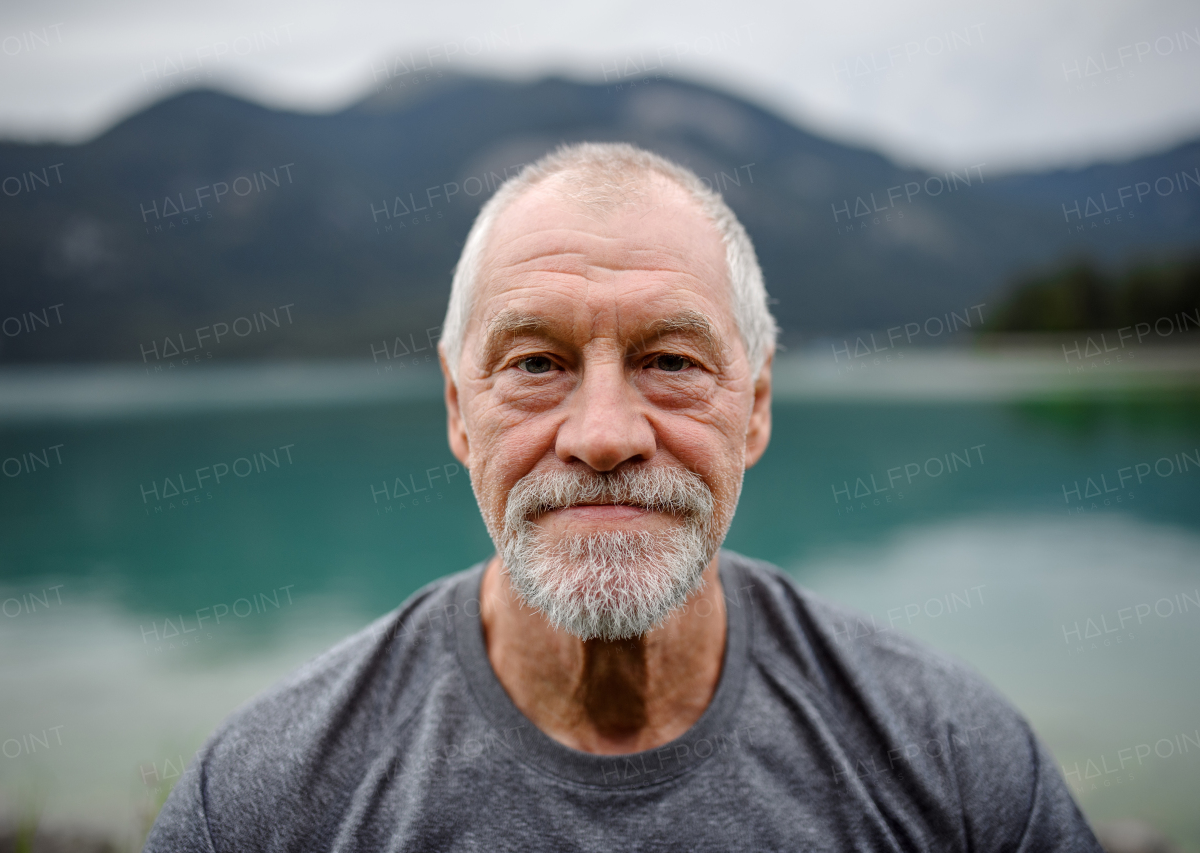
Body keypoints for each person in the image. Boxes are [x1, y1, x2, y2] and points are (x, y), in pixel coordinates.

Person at [145, 143, 1102, 851]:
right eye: (536, 363)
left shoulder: (952, 760)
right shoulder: (265, 801)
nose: (604, 433)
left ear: (756, 406)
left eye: (671, 360)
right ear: (456, 408)